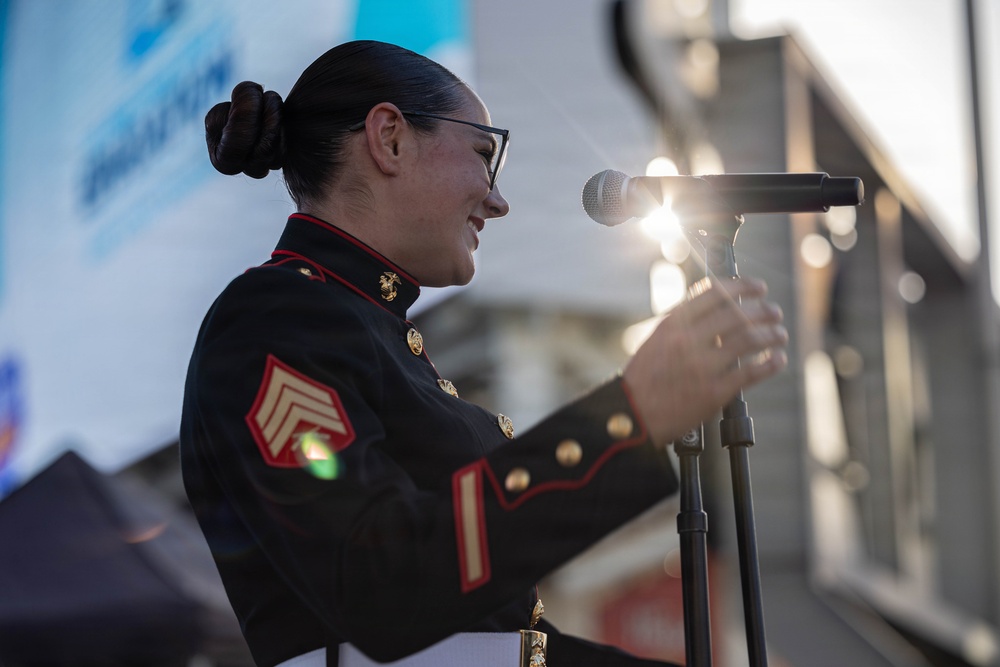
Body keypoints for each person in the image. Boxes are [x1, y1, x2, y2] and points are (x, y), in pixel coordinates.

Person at [180, 40, 788, 667]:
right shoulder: (275, 316)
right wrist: (623, 422)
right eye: (482, 153)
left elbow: (497, 642)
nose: (497, 201)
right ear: (389, 138)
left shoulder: (361, 327)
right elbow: (380, 585)